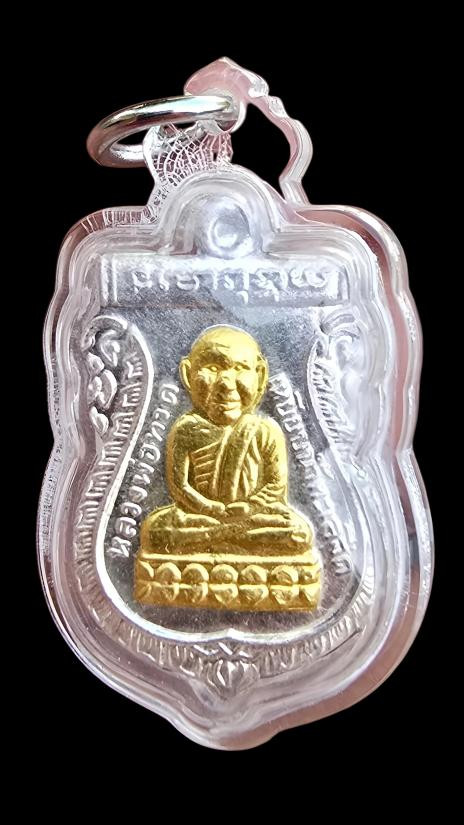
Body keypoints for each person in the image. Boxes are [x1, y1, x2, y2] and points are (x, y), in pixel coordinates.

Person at [138, 325, 314, 556]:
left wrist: (249, 507)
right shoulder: (186, 429)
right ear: (188, 374)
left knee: (298, 532)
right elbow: (180, 487)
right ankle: (230, 536)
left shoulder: (265, 429)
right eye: (212, 368)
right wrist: (207, 507)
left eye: (240, 368)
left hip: (252, 516)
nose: (226, 383)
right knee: (154, 531)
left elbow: (275, 485)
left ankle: (218, 537)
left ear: (260, 375)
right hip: (199, 516)